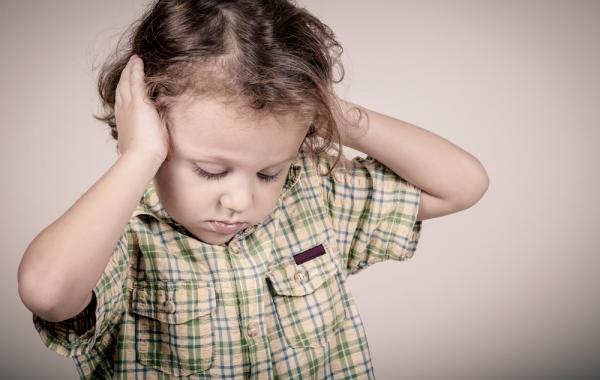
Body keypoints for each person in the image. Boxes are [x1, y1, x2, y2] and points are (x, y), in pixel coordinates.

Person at [17, 0, 489, 378]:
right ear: (148, 129)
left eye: (268, 173)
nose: (241, 201)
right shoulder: (121, 235)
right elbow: (47, 292)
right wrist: (137, 156)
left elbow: (462, 185)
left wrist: (330, 112)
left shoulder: (313, 198)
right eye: (209, 170)